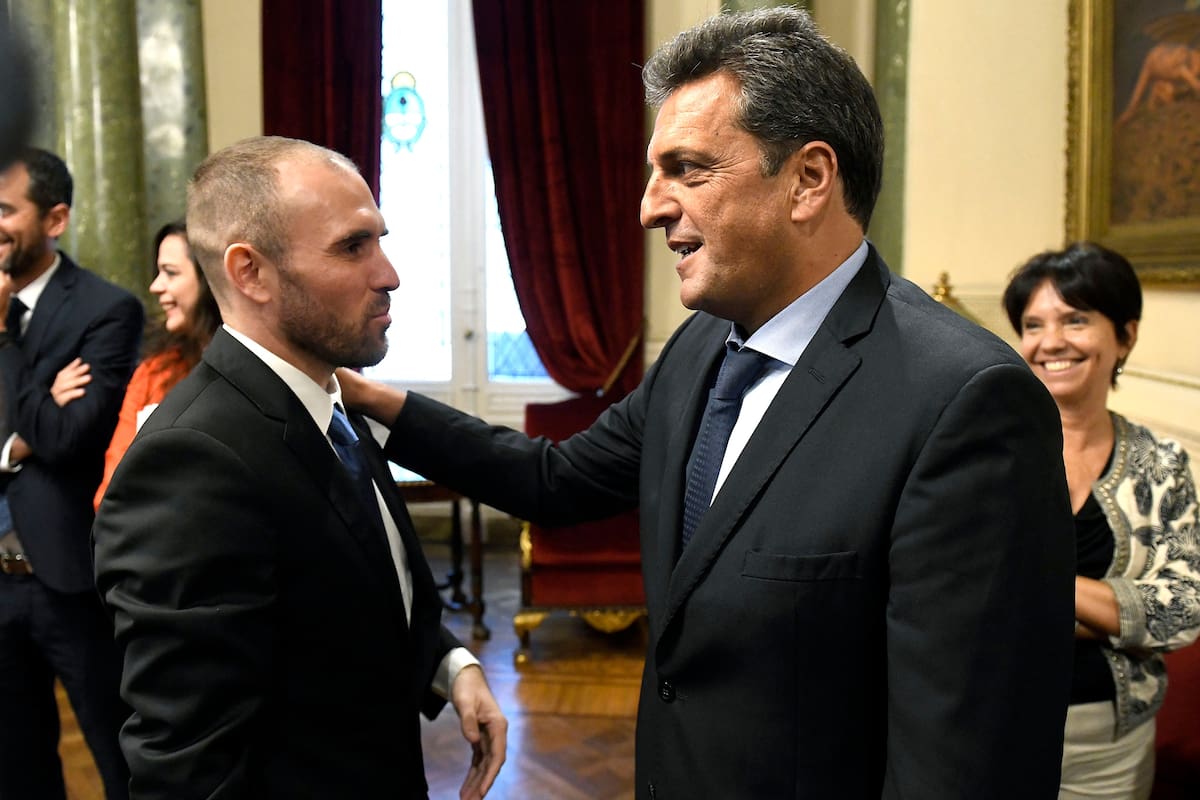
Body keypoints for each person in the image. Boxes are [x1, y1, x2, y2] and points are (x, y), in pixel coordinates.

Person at [337, 7, 1077, 798]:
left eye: (688, 170)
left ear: (808, 180)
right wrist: (367, 396)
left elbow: (963, 765)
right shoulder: (701, 352)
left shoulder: (966, 403)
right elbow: (554, 482)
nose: (650, 207)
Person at [91, 136, 506, 800]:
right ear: (251, 272)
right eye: (352, 247)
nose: (389, 273)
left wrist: (451, 664)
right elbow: (187, 768)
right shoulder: (191, 460)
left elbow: (353, 588)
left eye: (380, 240)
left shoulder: (326, 401)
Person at [1002, 242, 1200, 800]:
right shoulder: (985, 452)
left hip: (1110, 746)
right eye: (1034, 324)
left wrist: (1038, 591)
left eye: (1076, 320)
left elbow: (1182, 611)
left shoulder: (1160, 464)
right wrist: (1114, 609)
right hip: (987, 721)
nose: (1051, 341)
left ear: (1126, 336)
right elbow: (950, 595)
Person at [0, 147, 143, 800]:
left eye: (5, 209)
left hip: (68, 580)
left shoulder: (105, 310)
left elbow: (67, 439)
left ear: (55, 219)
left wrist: (2, 338)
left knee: (119, 760)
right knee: (17, 766)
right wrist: (18, 441)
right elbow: (40, 428)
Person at [50, 220, 222, 510]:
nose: (155, 286)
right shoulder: (155, 372)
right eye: (158, 273)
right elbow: (109, 492)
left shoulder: (259, 367)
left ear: (211, 277)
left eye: (170, 273)